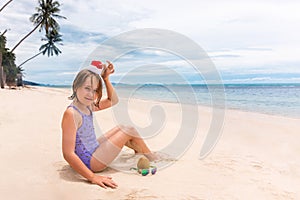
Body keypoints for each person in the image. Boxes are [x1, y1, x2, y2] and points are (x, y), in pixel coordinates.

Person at [61, 61, 156, 189]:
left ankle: (140, 152)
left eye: (95, 91)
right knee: (128, 131)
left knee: (124, 127)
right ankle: (151, 157)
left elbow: (113, 100)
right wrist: (92, 177)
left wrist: (106, 78)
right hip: (91, 163)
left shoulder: (87, 106)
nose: (91, 94)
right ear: (76, 86)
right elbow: (68, 154)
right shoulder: (72, 113)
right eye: (87, 88)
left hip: (93, 150)